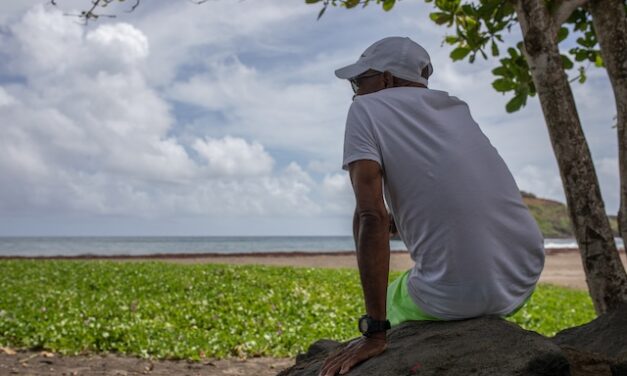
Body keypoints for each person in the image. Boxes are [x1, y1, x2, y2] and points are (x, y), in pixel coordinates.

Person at [319, 36, 545, 376]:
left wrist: (374, 332)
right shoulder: (455, 108)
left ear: (386, 79)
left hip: (457, 294)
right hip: (523, 274)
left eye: (358, 81)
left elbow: (369, 216)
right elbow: (455, 189)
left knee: (393, 294)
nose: (355, 91)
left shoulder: (365, 109)